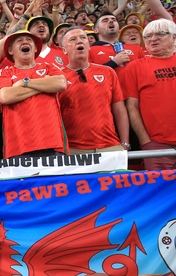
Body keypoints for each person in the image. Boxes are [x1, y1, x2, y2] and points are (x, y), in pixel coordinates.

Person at [0, 31, 68, 158]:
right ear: (10, 51)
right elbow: (5, 97)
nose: (25, 42)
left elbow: (61, 84)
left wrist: (24, 82)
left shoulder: (48, 66)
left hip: (53, 142)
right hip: (17, 146)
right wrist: (45, 85)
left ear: (35, 48)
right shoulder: (4, 72)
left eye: (29, 39)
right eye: (19, 40)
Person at [59, 27, 129, 153]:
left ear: (89, 45)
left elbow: (119, 109)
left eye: (83, 38)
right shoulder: (57, 78)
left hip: (110, 147)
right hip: (74, 149)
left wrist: (124, 143)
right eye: (73, 39)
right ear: (64, 49)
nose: (79, 41)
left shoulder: (108, 72)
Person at [123, 19, 176, 170]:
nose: (153, 39)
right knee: (161, 192)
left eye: (160, 34)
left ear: (173, 37)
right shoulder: (134, 68)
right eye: (147, 36)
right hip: (157, 145)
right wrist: (145, 141)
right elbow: (131, 106)